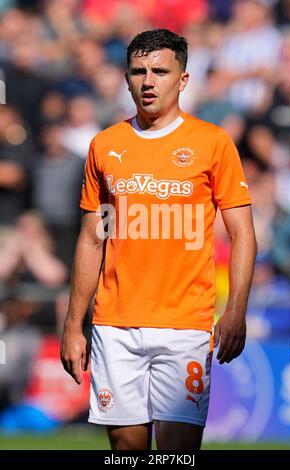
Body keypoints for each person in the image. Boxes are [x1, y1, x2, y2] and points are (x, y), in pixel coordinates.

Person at [60, 29, 257, 450]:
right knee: (128, 451)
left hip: (186, 323)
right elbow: (92, 240)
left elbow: (242, 233)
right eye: (139, 71)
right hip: (115, 324)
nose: (148, 81)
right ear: (126, 78)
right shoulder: (105, 145)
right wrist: (74, 325)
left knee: (177, 453)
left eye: (161, 71)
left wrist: (236, 309)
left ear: (182, 80)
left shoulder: (213, 143)